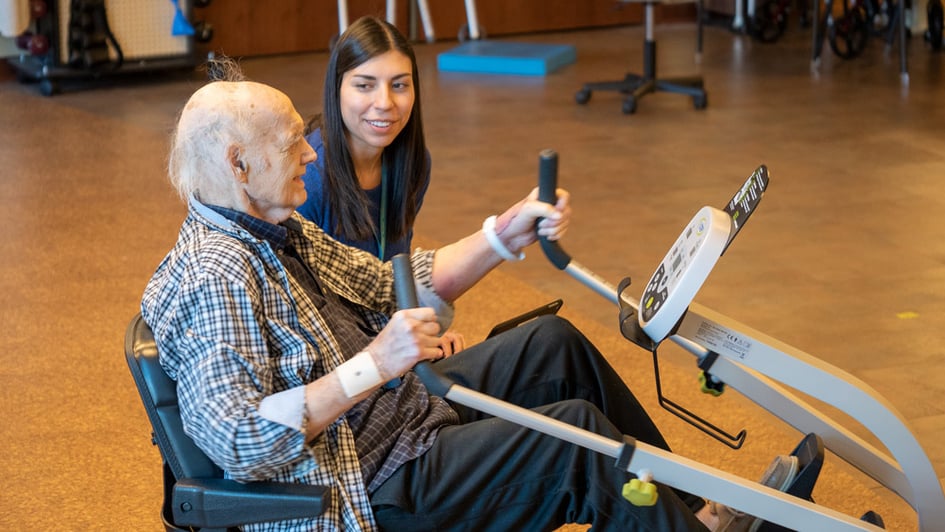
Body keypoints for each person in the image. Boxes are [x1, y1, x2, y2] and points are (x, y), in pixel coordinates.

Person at [142, 58, 790, 531]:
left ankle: (690, 513)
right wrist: (376, 363)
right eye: (291, 144)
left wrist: (505, 233)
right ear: (236, 163)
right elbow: (241, 441)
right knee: (574, 443)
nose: (311, 155)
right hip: (365, 485)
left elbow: (394, 280)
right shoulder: (215, 276)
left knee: (550, 345)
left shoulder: (279, 230)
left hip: (402, 417)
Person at [297, 16, 466, 356]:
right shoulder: (309, 176)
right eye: (365, 85)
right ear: (337, 89)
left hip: (383, 342)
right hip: (330, 355)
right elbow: (297, 311)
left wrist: (419, 328)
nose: (385, 102)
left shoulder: (414, 163)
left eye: (399, 85)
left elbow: (392, 274)